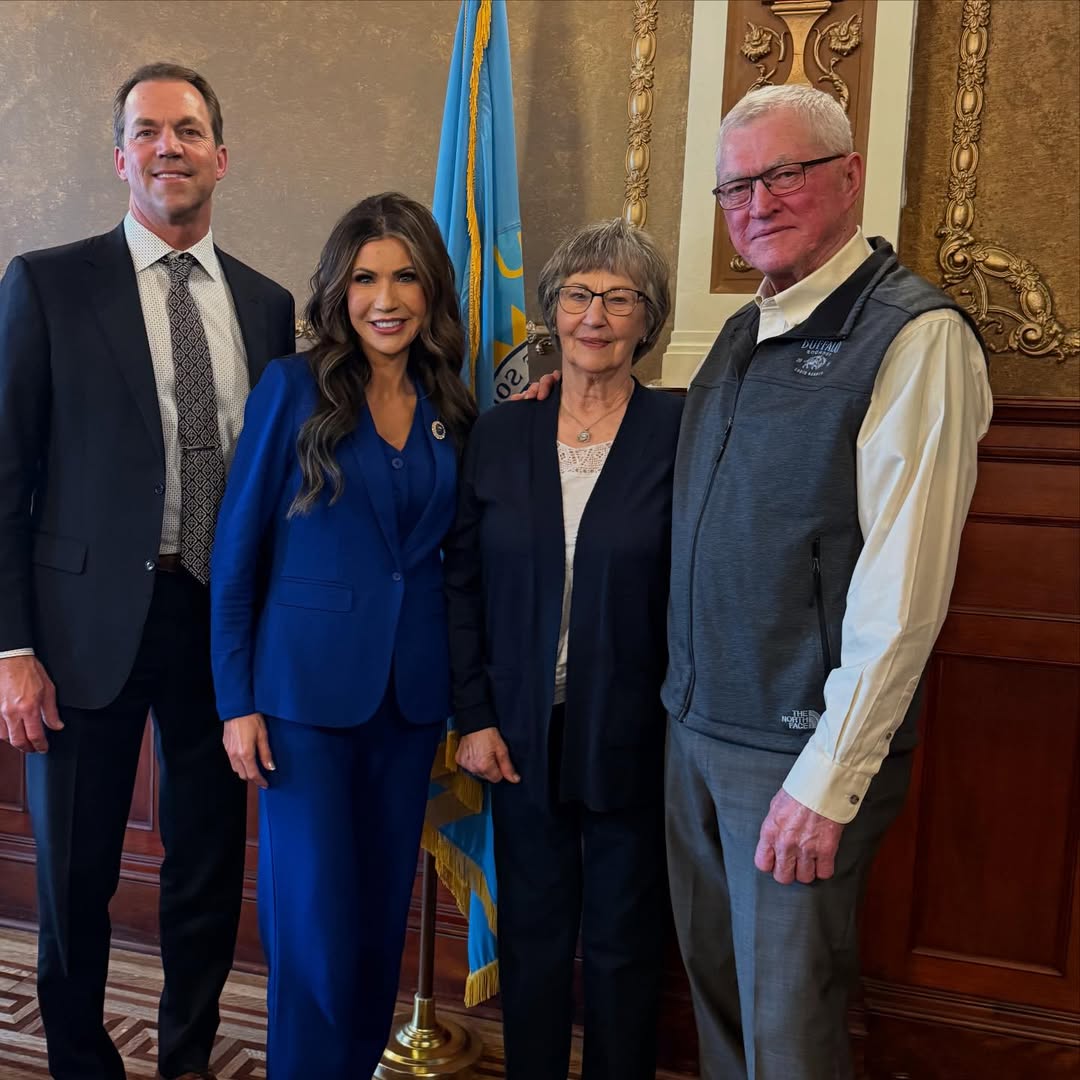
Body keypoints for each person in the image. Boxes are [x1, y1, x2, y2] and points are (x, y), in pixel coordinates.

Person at [660, 85, 993, 1079]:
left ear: (849, 177)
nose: (757, 203)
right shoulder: (737, 334)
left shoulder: (914, 335)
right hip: (697, 729)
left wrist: (828, 781)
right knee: (720, 1000)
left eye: (783, 174)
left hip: (795, 758)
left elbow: (904, 586)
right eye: (736, 187)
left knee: (788, 1028)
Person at [0, 63, 294, 1080]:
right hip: (81, 628)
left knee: (210, 870)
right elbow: (6, 476)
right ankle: (84, 1061)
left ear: (222, 153)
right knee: (77, 874)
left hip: (217, 625)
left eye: (189, 128)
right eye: (148, 130)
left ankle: (185, 1059)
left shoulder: (267, 305)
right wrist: (12, 646)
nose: (169, 146)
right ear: (122, 156)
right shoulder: (46, 284)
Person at [210, 192, 475, 1080]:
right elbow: (236, 553)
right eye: (365, 277)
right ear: (340, 288)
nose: (385, 297)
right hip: (302, 708)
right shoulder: (294, 388)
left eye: (404, 276)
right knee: (315, 928)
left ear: (431, 288)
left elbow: (444, 556)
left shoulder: (451, 398)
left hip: (406, 704)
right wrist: (236, 701)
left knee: (375, 924)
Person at [444, 219, 683, 1080]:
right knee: (537, 941)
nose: (596, 315)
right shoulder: (503, 434)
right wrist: (474, 715)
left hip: (633, 732)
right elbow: (461, 582)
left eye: (620, 298)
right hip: (516, 735)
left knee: (623, 948)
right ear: (552, 311)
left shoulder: (681, 431)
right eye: (580, 295)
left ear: (647, 320)